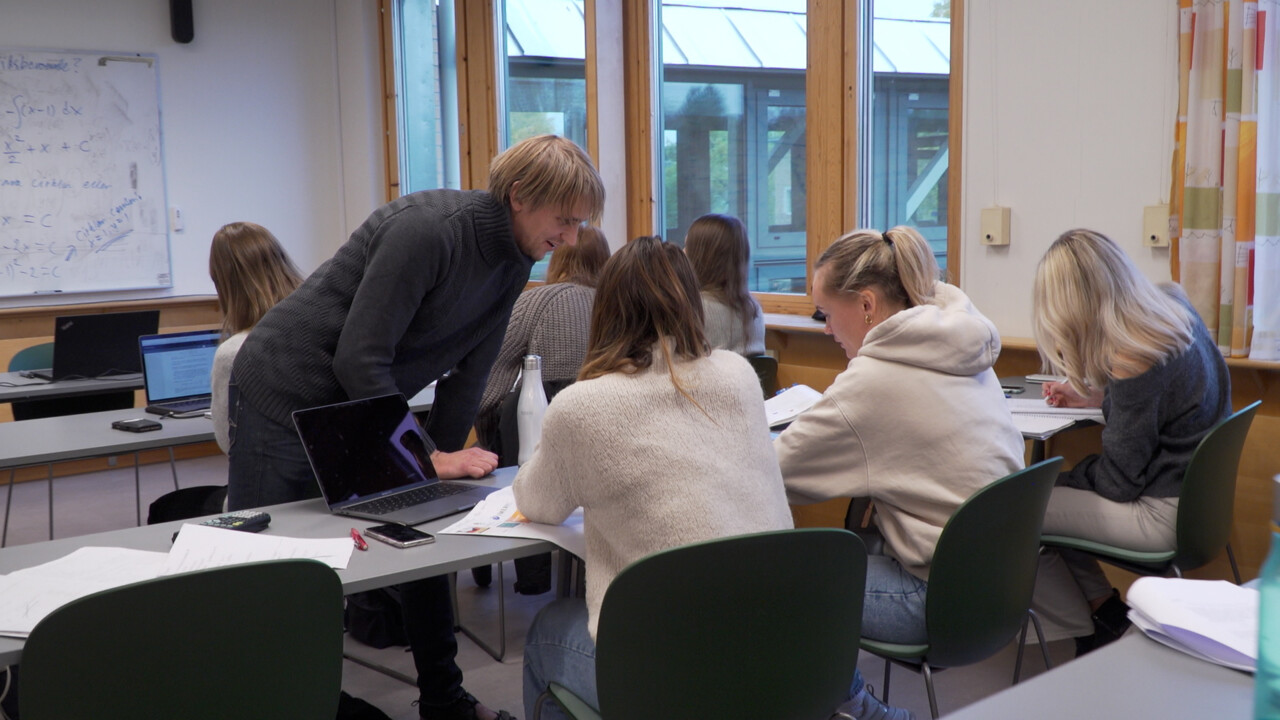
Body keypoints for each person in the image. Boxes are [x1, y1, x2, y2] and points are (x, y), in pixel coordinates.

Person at [227, 134, 605, 720]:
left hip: (360, 401)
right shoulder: (428, 231)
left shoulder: (515, 258)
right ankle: (288, 701)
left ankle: (444, 700)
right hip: (284, 390)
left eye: (580, 224)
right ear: (519, 197)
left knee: (424, 530)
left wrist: (437, 470)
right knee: (277, 568)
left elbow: (470, 375)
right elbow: (359, 358)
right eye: (565, 220)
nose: (573, 239)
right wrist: (424, 456)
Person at [512, 236, 794, 720]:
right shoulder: (739, 374)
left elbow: (536, 503)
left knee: (546, 632)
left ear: (606, 309)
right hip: (781, 653)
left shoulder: (583, 406)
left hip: (674, 676)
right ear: (691, 301)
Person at [774, 226, 1023, 720]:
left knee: (772, 585)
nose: (826, 329)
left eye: (826, 313)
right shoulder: (964, 347)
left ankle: (865, 714)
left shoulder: (874, 381)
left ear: (866, 305)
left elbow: (771, 473)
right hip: (1003, 587)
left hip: (936, 600)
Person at [1029, 228, 1231, 655]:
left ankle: (1095, 629)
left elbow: (1117, 483)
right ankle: (1105, 617)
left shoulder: (1131, 360)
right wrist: (1099, 397)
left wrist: (1067, 478)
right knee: (1048, 496)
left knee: (1021, 510)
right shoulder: (1172, 307)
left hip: (1163, 514)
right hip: (1200, 507)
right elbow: (1166, 401)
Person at [473, 225, 611, 451]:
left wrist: (492, 442)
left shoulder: (535, 303)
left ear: (557, 258)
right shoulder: (618, 309)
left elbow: (485, 388)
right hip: (604, 440)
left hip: (538, 443)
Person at [207, 221, 304, 454]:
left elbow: (228, 441)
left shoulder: (234, 352)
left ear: (224, 283)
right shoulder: (319, 329)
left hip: (270, 474)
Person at [682, 213, 765, 355]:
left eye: (687, 246)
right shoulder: (754, 309)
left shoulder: (694, 309)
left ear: (702, 257)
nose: (683, 252)